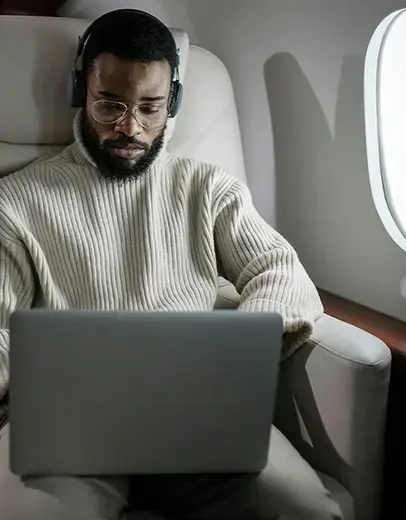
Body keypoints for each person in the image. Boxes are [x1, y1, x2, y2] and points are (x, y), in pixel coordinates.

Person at [0, 9, 343, 520]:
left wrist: (231, 356)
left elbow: (279, 270)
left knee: (317, 512)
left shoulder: (208, 187)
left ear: (174, 103)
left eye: (150, 108)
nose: (130, 128)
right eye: (109, 105)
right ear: (80, 91)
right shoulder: (16, 201)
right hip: (69, 424)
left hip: (196, 408)